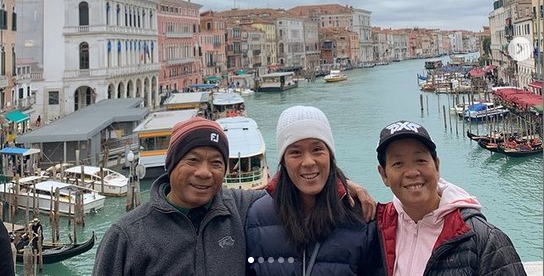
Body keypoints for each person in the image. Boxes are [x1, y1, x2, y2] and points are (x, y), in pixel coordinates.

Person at [93, 116, 377, 275]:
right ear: (171, 165)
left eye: (216, 163)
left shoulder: (240, 208)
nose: (205, 172)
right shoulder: (127, 235)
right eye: (192, 160)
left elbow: (292, 187)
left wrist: (341, 184)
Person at [374, 120, 526, 276]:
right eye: (398, 163)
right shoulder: (374, 232)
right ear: (384, 174)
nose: (412, 172)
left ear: (437, 166)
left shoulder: (484, 239)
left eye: (420, 160)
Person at [246, 106, 382, 275]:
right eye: (295, 152)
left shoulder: (361, 217)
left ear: (330, 155)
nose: (308, 162)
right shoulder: (256, 217)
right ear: (283, 161)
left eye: (317, 149)